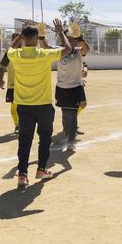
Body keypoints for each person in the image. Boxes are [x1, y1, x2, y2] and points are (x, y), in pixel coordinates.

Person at [7, 20, 72, 188]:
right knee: (44, 138)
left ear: (23, 37)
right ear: (37, 38)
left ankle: (22, 174)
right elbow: (68, 49)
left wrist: (20, 36)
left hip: (24, 106)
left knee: (24, 140)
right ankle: (41, 169)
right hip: (43, 105)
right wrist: (60, 32)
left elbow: (11, 48)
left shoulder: (16, 55)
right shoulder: (44, 55)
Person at [39, 22, 89, 151]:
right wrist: (41, 36)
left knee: (72, 115)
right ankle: (67, 135)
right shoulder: (59, 50)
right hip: (61, 87)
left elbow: (86, 49)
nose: (71, 41)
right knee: (65, 114)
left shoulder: (78, 51)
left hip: (75, 87)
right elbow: (44, 47)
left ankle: (71, 140)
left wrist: (80, 37)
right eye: (69, 39)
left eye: (73, 39)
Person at [0, 33, 21, 133]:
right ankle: (17, 125)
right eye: (14, 39)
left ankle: (24, 125)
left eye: (18, 38)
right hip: (12, 85)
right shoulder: (8, 53)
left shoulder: (24, 52)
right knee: (14, 107)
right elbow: (3, 67)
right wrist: (0, 79)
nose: (16, 40)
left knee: (24, 107)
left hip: (24, 85)